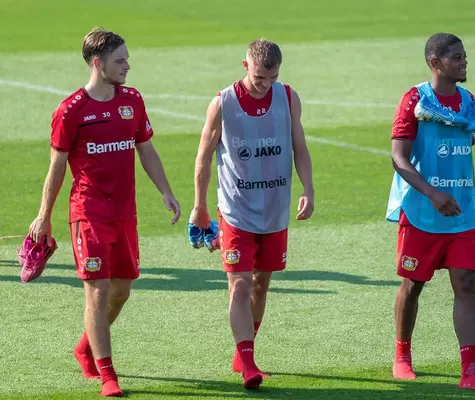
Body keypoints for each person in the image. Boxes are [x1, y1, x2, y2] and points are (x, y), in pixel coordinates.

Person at [28, 27, 181, 397]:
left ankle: (85, 346)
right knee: (96, 292)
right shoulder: (70, 111)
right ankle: (107, 373)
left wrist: (166, 190)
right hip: (88, 214)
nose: (128, 65)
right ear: (98, 64)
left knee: (121, 291)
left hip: (125, 214)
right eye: (120, 60)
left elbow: (145, 149)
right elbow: (57, 167)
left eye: (127, 58)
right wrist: (44, 216)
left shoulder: (132, 100)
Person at [189, 38, 315, 390]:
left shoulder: (288, 97)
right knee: (241, 285)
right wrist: (199, 206)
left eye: (272, 78)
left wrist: (309, 188)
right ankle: (248, 364)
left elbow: (300, 147)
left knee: (261, 284)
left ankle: (243, 350)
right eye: (260, 78)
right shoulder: (223, 103)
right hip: (236, 211)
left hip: (275, 211)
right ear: (246, 66)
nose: (265, 85)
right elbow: (202, 158)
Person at [385, 32, 475, 393]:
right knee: (413, 284)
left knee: (466, 284)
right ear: (435, 63)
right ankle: (402, 357)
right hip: (423, 212)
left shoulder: (467, 102)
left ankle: (469, 371)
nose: (464, 62)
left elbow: (463, 143)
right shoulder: (415, 100)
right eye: (456, 57)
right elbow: (398, 158)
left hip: (463, 213)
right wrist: (433, 193)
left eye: (464, 56)